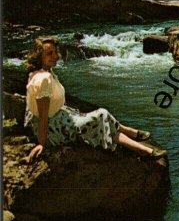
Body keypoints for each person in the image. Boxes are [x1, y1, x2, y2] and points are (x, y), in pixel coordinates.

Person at [23, 37, 167, 163]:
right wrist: (41, 143)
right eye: (49, 53)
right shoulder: (43, 79)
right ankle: (140, 146)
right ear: (38, 56)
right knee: (101, 115)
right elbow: (42, 116)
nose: (55, 56)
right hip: (53, 129)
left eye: (55, 52)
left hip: (58, 119)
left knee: (101, 119)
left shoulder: (43, 72)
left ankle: (136, 140)